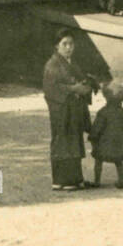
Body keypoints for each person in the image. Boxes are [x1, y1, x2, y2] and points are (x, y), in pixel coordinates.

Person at [42, 28, 97, 191]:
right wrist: (74, 89)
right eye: (64, 44)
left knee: (74, 141)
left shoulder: (71, 63)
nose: (68, 47)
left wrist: (87, 85)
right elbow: (51, 88)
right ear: (56, 46)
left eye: (71, 43)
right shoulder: (52, 65)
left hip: (73, 110)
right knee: (62, 141)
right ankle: (60, 180)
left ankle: (75, 179)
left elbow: (81, 80)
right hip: (61, 110)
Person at [89, 81, 123, 189]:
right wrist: (121, 131)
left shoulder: (103, 112)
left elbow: (97, 128)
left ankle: (97, 181)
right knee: (119, 162)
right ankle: (121, 180)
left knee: (98, 161)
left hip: (103, 144)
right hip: (118, 142)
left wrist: (92, 137)